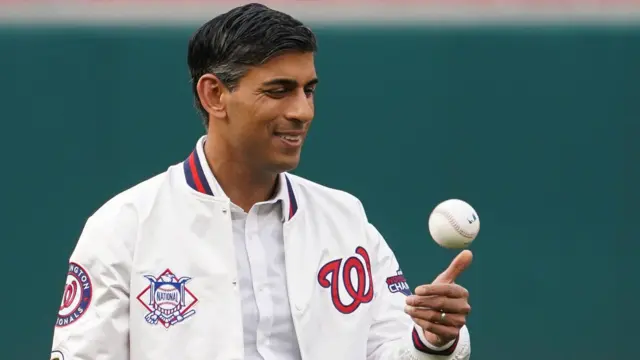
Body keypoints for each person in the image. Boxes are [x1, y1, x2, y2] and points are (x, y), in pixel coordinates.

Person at [50, 3, 473, 360]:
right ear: (214, 95)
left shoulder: (345, 219)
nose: (302, 111)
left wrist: (434, 339)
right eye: (279, 91)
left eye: (309, 90)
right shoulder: (124, 227)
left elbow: (392, 348)